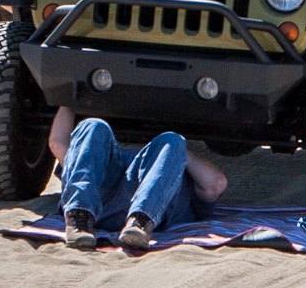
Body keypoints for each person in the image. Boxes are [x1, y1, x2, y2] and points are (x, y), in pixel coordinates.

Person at [47, 105, 229, 249]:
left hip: (135, 208)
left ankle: (133, 221)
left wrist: (177, 151)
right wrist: (70, 97)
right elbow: (58, 145)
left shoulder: (185, 177)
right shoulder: (105, 160)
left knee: (173, 140)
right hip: (98, 202)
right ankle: (81, 218)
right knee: (93, 125)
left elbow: (216, 184)